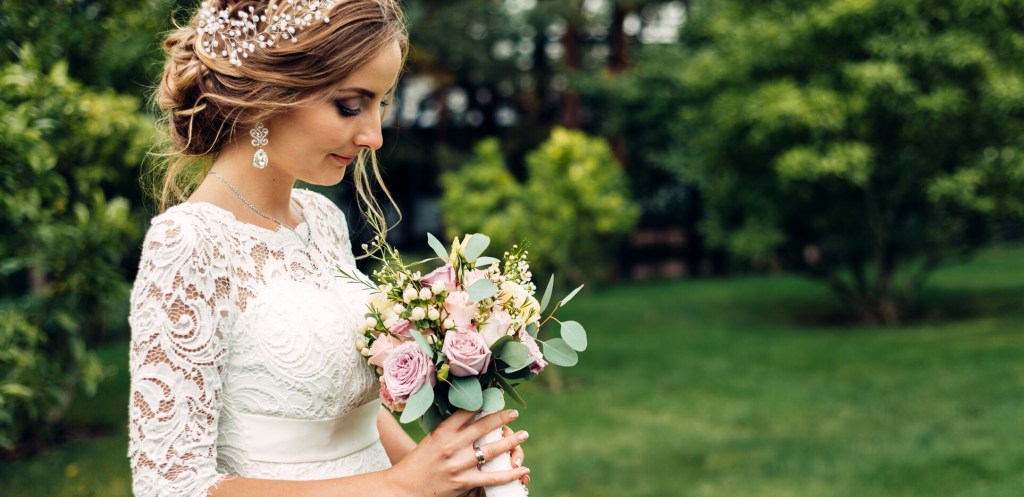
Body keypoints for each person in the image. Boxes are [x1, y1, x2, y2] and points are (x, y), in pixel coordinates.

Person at [127, 1, 530, 496]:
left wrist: (450, 472)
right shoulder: (188, 243)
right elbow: (170, 485)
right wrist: (400, 485)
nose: (374, 136)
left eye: (380, 104)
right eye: (350, 105)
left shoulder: (321, 219)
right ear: (263, 97)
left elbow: (347, 414)